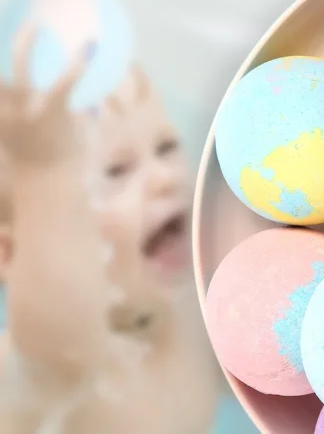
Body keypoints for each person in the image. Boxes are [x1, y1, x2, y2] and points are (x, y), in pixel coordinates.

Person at [0, 24, 219, 434]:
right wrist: (44, 171)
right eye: (116, 171)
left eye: (166, 147)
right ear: (12, 255)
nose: (163, 177)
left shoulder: (187, 318)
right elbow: (59, 337)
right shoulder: (54, 374)